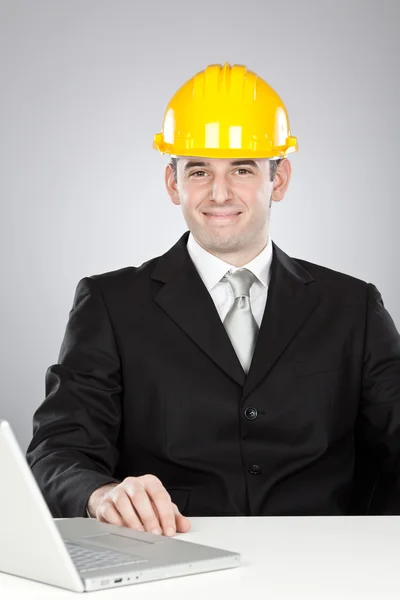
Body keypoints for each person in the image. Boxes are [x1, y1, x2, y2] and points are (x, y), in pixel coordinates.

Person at [26, 62, 400, 538]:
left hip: (332, 561)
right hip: (171, 558)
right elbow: (58, 451)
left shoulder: (353, 307)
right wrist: (100, 494)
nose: (219, 193)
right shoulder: (110, 304)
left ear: (278, 179)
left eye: (242, 169)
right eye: (198, 170)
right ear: (172, 183)